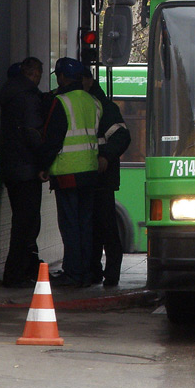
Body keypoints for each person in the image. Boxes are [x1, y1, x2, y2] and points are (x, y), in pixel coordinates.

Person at [38, 57, 103, 287]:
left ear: (63, 77)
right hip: (90, 170)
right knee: (85, 223)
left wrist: (44, 167)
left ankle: (73, 271)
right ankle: (87, 271)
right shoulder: (94, 102)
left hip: (67, 172)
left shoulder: (61, 102)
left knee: (70, 224)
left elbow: (52, 139)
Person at [0, 57, 46, 288]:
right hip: (27, 168)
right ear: (34, 73)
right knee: (27, 223)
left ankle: (21, 269)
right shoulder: (28, 97)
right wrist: (44, 161)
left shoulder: (9, 95)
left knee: (21, 220)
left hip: (11, 167)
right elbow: (33, 133)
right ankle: (16, 273)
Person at [82, 67, 132, 288]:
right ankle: (94, 271)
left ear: (88, 80)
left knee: (107, 228)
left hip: (102, 178)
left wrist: (105, 157)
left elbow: (122, 136)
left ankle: (111, 274)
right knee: (91, 228)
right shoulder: (83, 104)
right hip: (87, 177)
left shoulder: (105, 107)